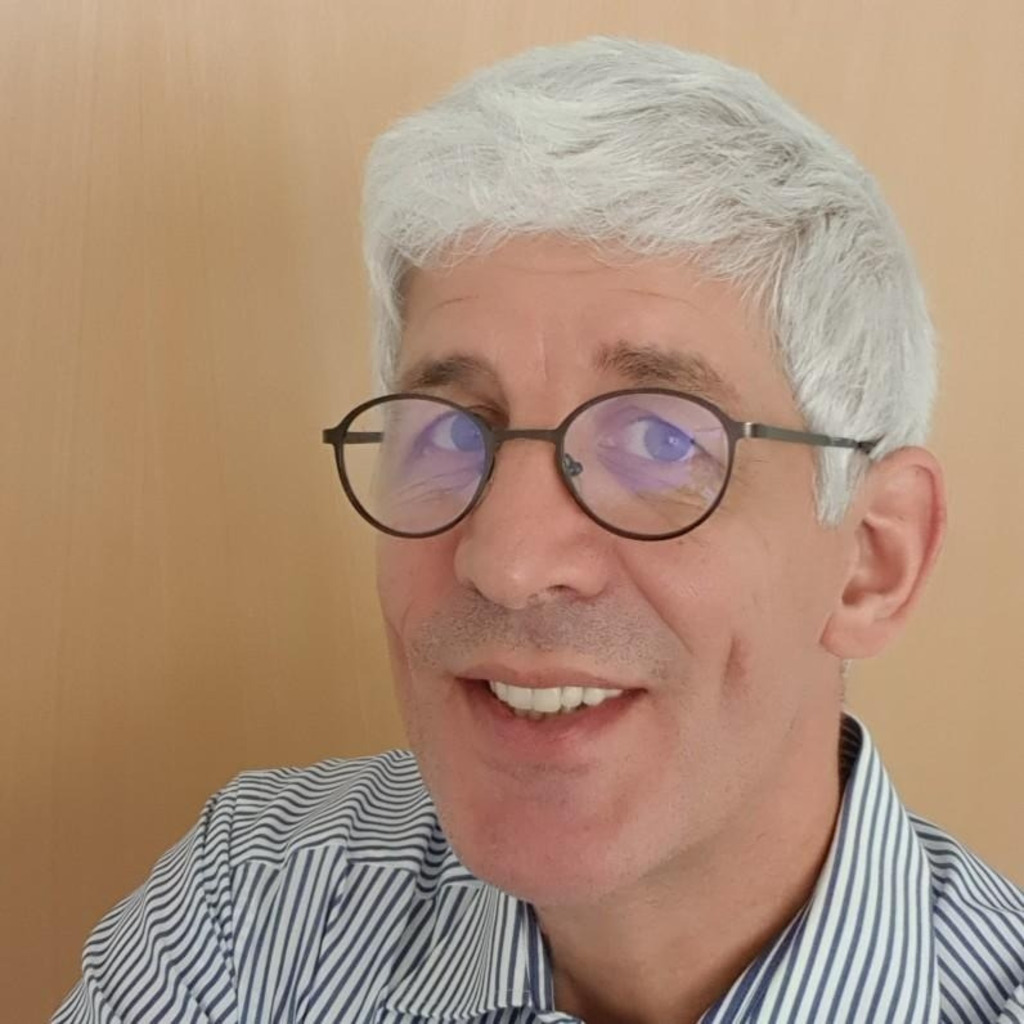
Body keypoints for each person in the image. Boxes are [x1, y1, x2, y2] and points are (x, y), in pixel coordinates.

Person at [53, 36, 1024, 1024]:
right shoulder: (252, 906)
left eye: (657, 439)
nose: (508, 560)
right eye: (450, 432)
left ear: (872, 561)